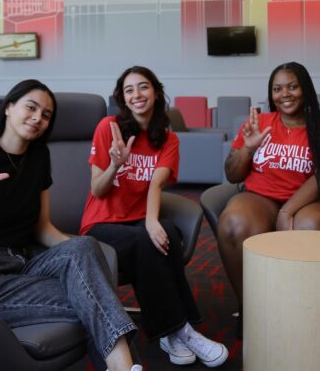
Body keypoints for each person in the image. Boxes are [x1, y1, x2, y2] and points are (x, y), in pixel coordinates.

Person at [0, 79, 141, 371]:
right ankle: (124, 367)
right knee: (95, 300)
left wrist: (86, 258)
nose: (38, 118)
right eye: (31, 107)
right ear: (9, 107)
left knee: (87, 255)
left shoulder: (39, 158)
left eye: (46, 115)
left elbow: (42, 229)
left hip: (21, 266)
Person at [80, 66, 228, 368]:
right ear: (122, 97)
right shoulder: (109, 127)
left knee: (168, 233)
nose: (137, 95)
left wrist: (151, 220)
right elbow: (97, 188)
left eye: (143, 87)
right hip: (101, 223)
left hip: (136, 220)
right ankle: (183, 329)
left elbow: (157, 183)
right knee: (146, 240)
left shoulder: (168, 138)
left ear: (156, 92)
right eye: (129, 89)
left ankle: (169, 333)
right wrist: (115, 166)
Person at [216, 61, 320, 337]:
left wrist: (287, 211)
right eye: (277, 89)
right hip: (260, 198)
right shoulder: (259, 124)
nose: (284, 94)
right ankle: (252, 308)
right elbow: (232, 174)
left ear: (305, 89)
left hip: (308, 201)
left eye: (292, 87)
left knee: (310, 228)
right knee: (232, 223)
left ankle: (302, 311)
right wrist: (247, 150)